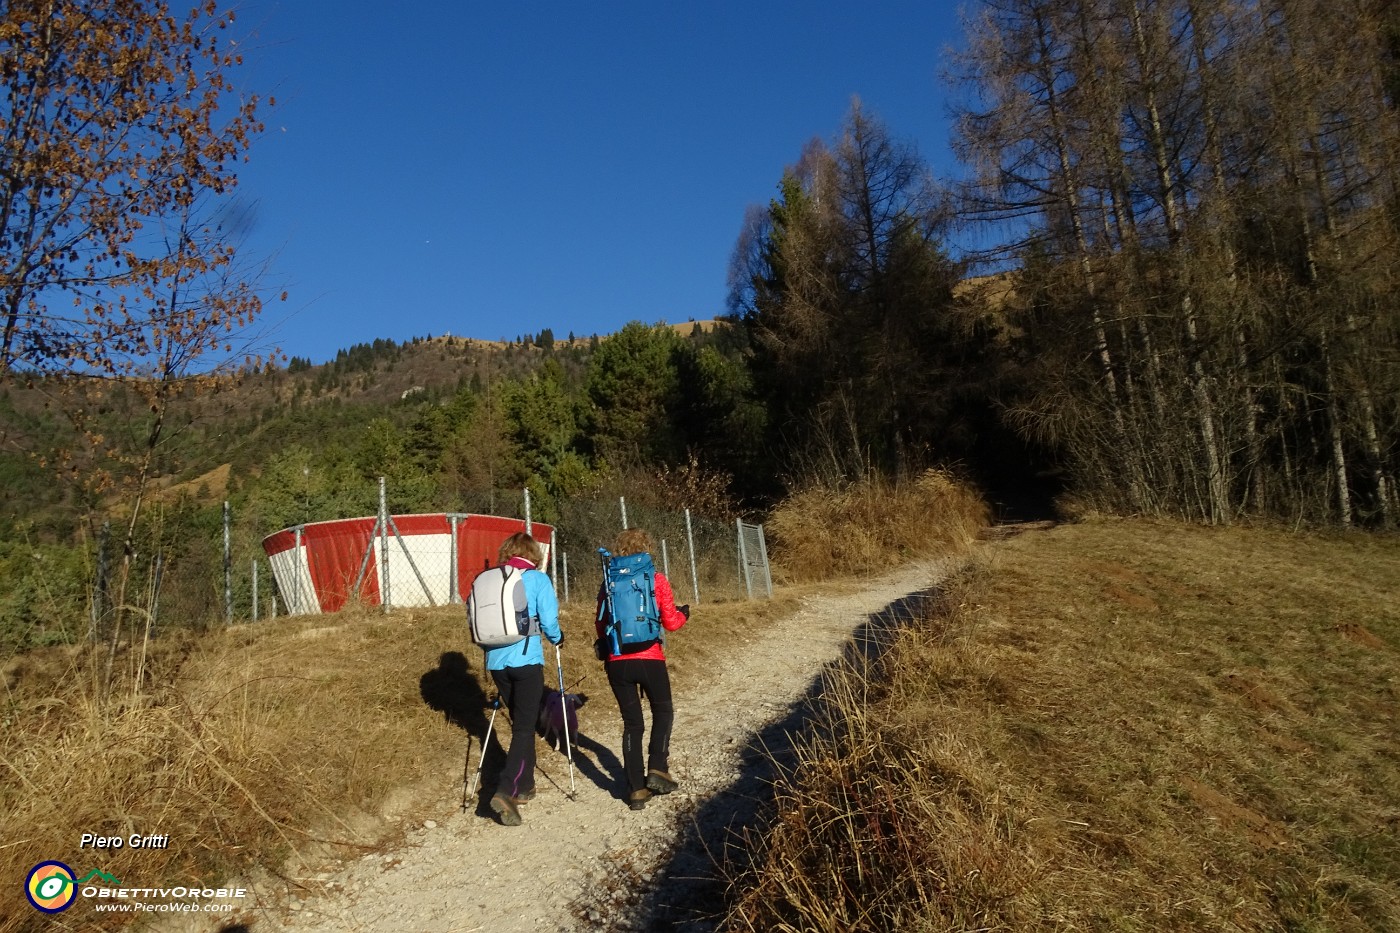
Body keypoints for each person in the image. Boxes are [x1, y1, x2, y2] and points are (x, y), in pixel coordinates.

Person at [595, 528, 690, 811]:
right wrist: (684, 614)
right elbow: (671, 622)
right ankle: (658, 767)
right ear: (647, 548)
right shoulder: (656, 579)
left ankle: (635, 788)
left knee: (632, 724)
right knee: (663, 711)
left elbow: (600, 624)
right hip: (650, 658)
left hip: (617, 660)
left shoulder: (609, 581)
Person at [481, 531, 562, 826]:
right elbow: (550, 620)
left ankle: (525, 784)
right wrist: (557, 638)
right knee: (525, 727)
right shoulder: (537, 579)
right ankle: (507, 788)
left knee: (520, 722)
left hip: (496, 662)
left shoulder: (489, 579)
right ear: (533, 555)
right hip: (526, 660)